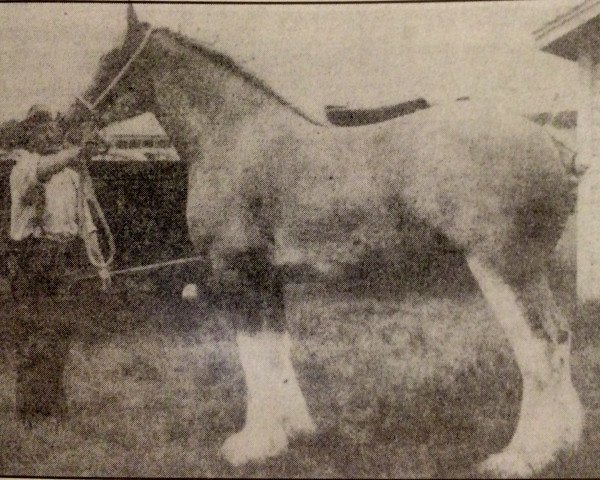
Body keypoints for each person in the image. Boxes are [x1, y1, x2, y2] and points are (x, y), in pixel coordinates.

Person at [7, 105, 106, 424]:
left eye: (54, 128)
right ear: (32, 136)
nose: (52, 133)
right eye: (45, 129)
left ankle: (53, 405)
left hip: (64, 255)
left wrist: (100, 263)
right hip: (34, 255)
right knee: (36, 333)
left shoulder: (73, 175)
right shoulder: (25, 166)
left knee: (61, 331)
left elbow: (86, 223)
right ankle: (30, 412)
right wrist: (77, 150)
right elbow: (43, 171)